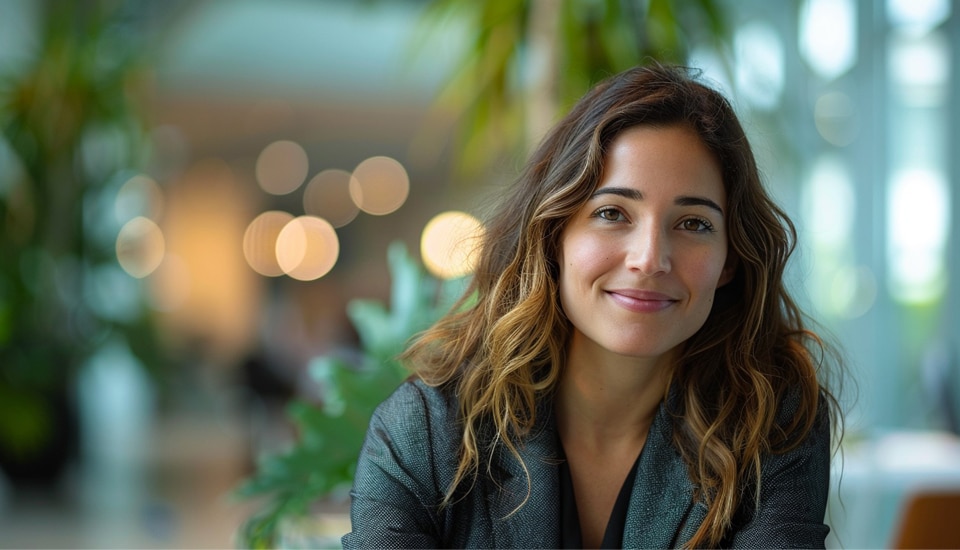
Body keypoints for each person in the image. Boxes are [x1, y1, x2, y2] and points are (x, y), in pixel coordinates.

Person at [341, 62, 843, 549]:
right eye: (611, 213)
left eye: (693, 223)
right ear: (554, 234)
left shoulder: (770, 420)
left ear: (729, 259)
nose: (649, 260)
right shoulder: (426, 429)